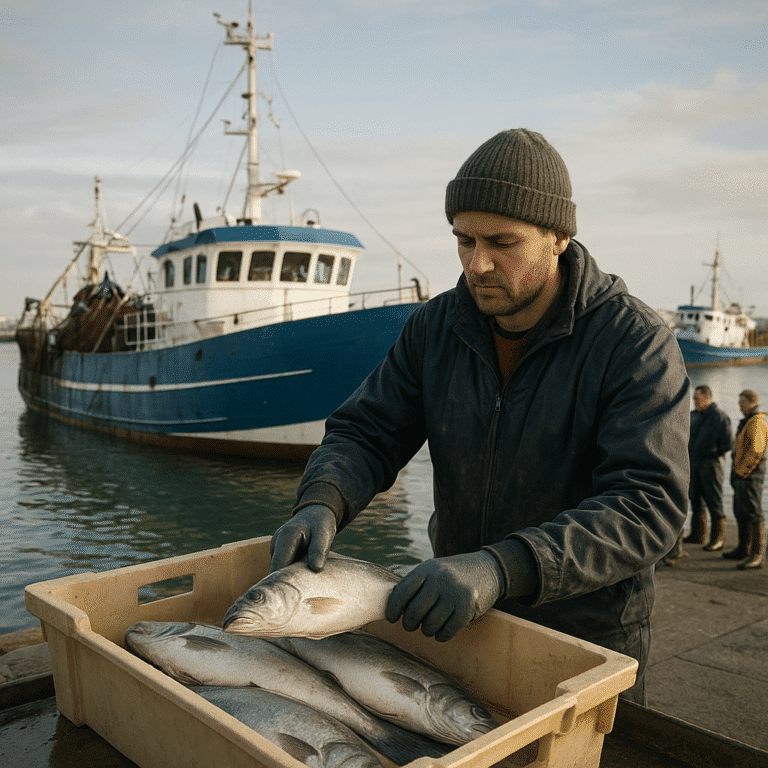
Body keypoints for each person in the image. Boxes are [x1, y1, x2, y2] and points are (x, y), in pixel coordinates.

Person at [269, 128, 690, 704]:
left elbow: (649, 505)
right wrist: (323, 499)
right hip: (462, 621)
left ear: (559, 237)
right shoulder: (434, 327)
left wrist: (502, 566)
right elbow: (369, 431)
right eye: (463, 240)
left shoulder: (635, 343)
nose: (478, 264)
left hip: (585, 638)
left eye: (501, 242)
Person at [724, 389, 767, 569]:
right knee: (741, 511)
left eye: (742, 403)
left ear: (752, 402)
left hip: (750, 476)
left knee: (753, 512)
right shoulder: (749, 420)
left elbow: (756, 450)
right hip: (743, 475)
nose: (739, 407)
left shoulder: (757, 422)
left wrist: (742, 471)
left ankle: (756, 555)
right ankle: (743, 549)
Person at [685, 385, 733, 550]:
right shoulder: (694, 416)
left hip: (712, 464)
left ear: (706, 397)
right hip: (695, 463)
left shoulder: (720, 417)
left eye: (697, 399)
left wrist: (711, 452)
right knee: (695, 499)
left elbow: (727, 444)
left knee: (714, 501)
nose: (694, 402)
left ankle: (718, 539)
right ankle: (698, 535)